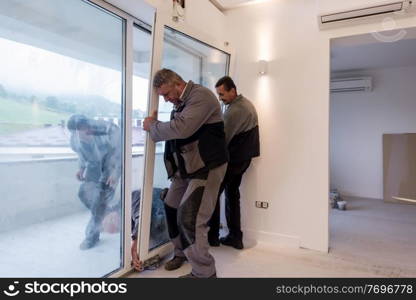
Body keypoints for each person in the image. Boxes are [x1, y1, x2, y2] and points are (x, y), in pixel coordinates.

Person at [143, 69, 228, 278]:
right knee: (171, 207)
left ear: (178, 84)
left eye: (165, 94)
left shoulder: (201, 96)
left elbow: (181, 129)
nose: (165, 100)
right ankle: (181, 252)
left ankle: (204, 274)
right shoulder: (181, 102)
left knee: (191, 218)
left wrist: (152, 126)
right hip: (187, 168)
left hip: (206, 167)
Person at [208, 76, 260, 250]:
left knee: (213, 193)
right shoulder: (246, 103)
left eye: (222, 94)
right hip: (243, 159)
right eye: (218, 94)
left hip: (235, 160)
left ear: (233, 90)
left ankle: (213, 236)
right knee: (232, 193)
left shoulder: (235, 110)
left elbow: (224, 139)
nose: (220, 98)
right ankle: (235, 237)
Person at [67, 114, 121, 250]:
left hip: (110, 165)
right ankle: (108, 213)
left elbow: (118, 153)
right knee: (83, 193)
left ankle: (92, 236)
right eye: (77, 130)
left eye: (85, 127)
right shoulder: (74, 140)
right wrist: (81, 168)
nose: (82, 132)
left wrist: (114, 173)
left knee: (99, 200)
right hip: (93, 167)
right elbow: (81, 154)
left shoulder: (104, 133)